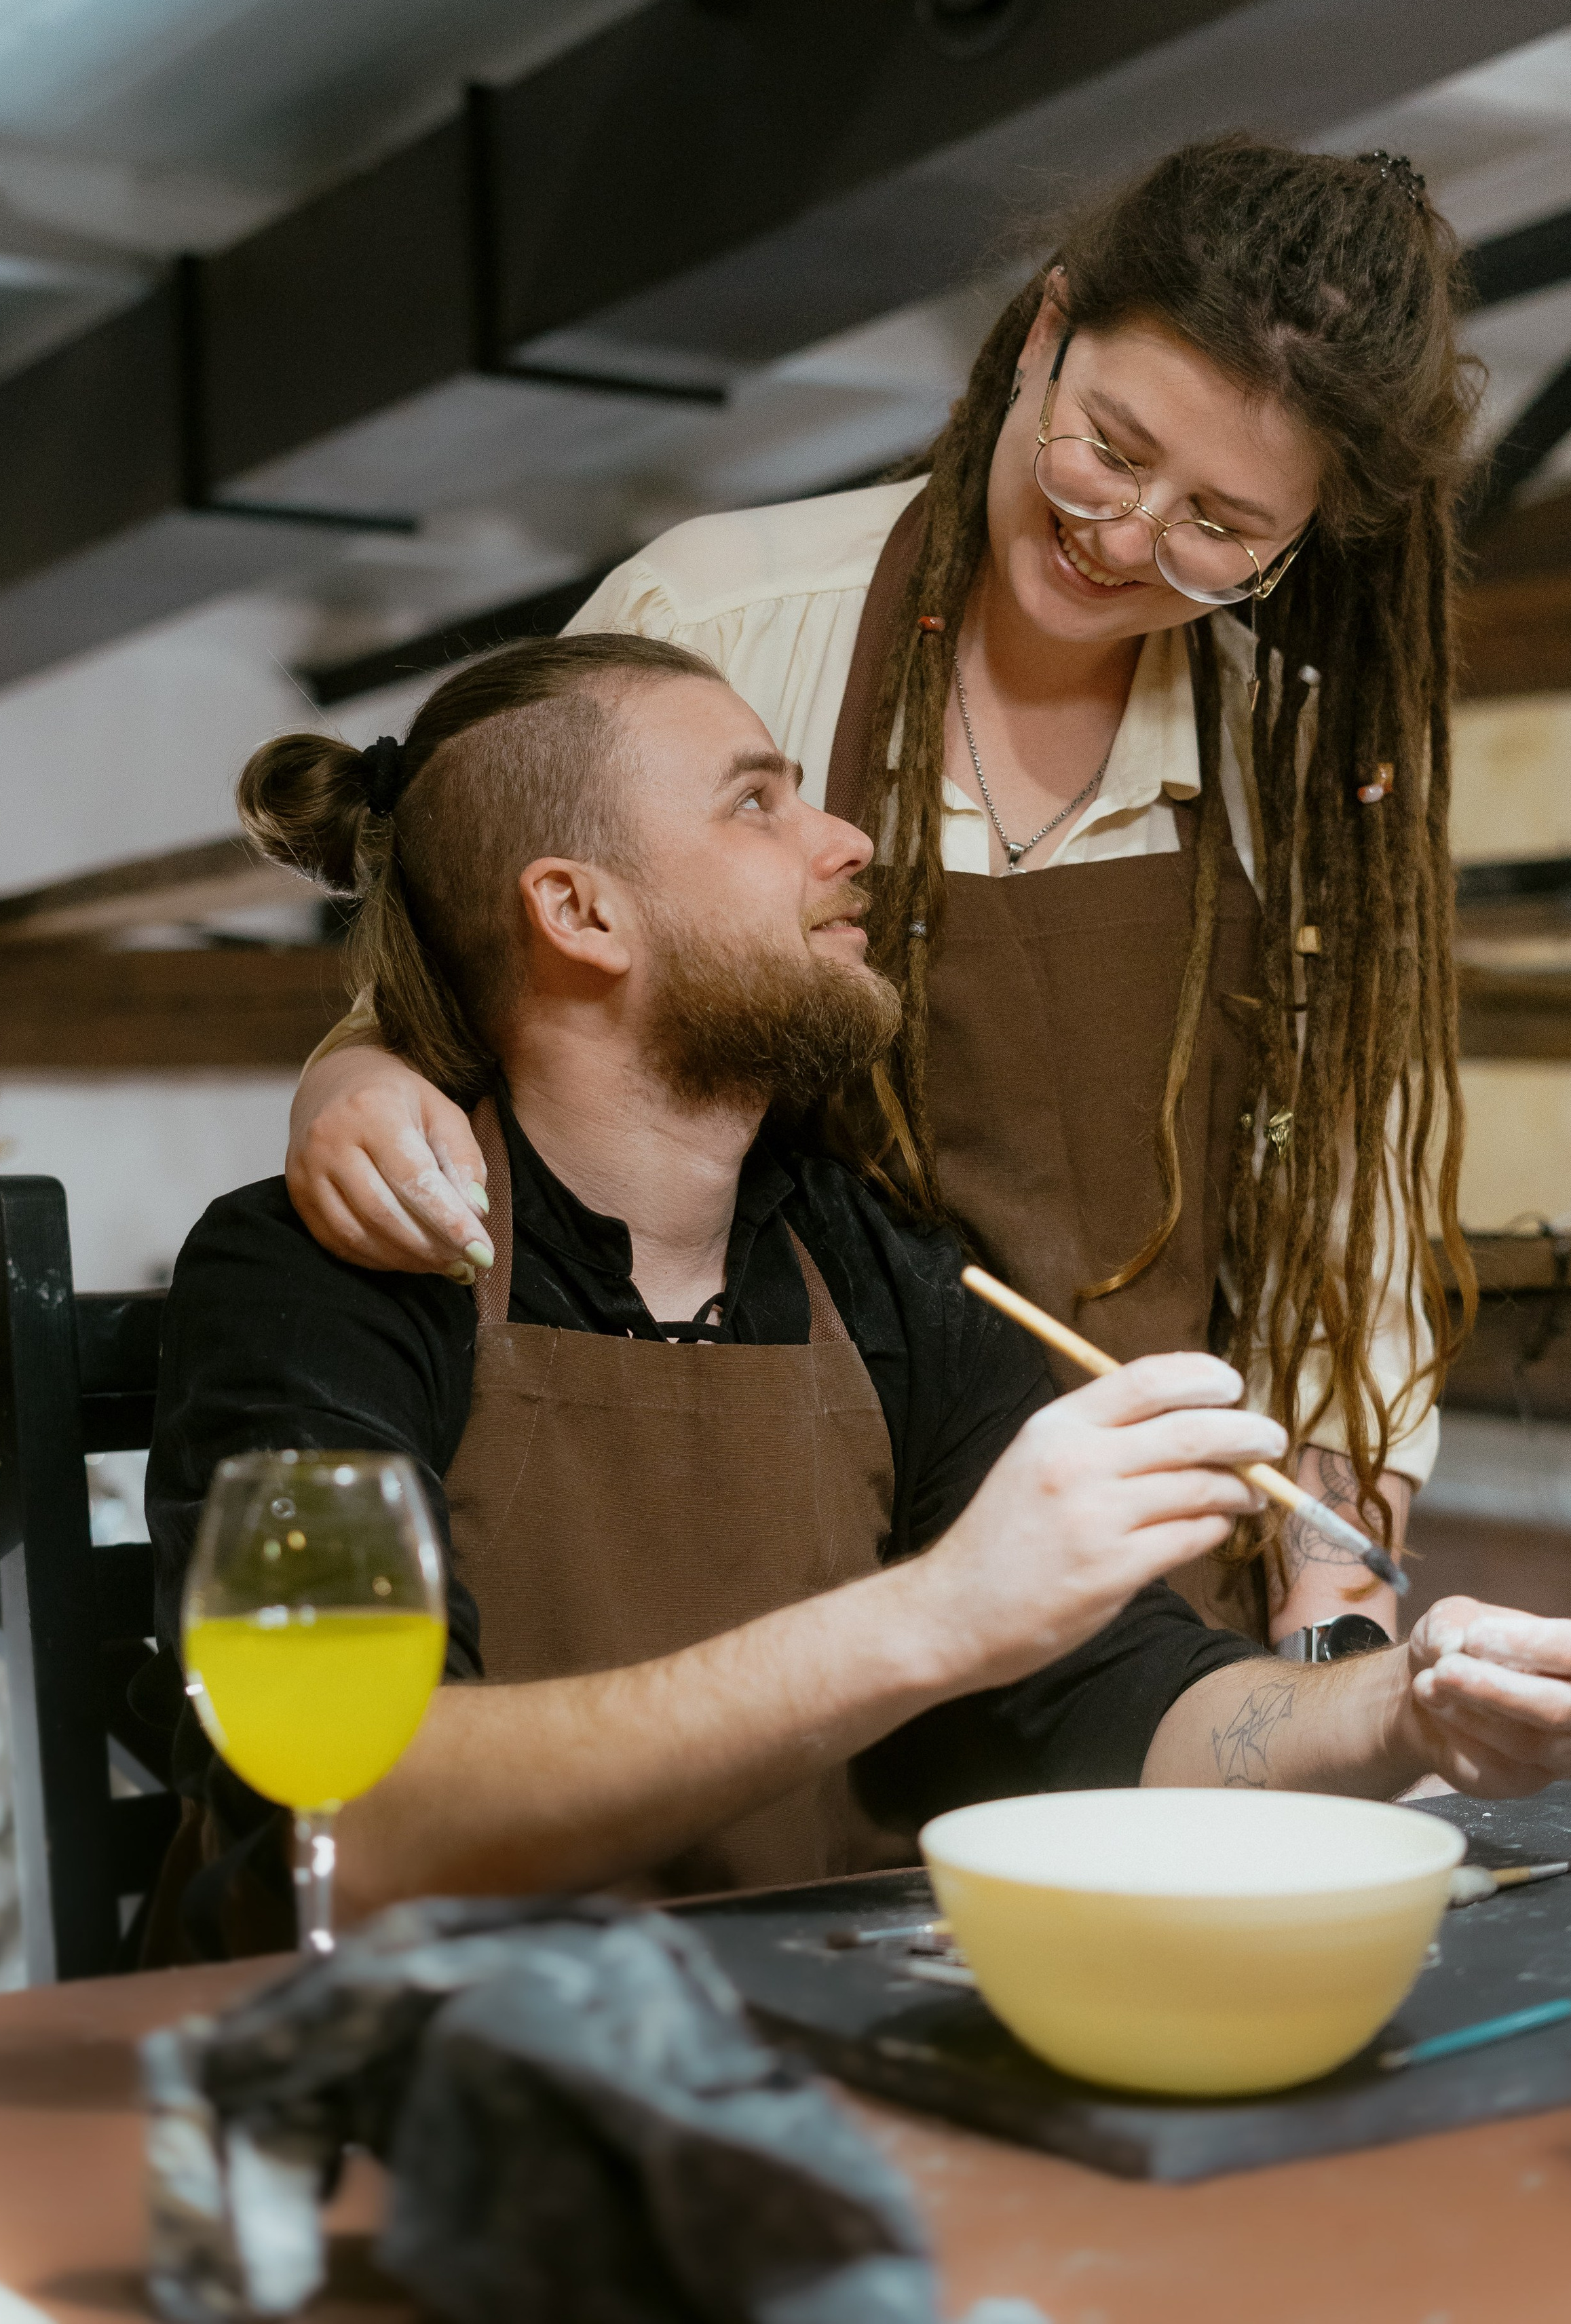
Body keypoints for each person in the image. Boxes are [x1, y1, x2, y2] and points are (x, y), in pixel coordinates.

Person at [145, 636, 1571, 1957]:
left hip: (791, 2057)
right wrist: (937, 1617)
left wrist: (1403, 1706)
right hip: (384, 2096)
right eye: (755, 803)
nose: (844, 840)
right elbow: (357, 1818)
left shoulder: (876, 1272)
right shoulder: (315, 1281)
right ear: (580, 911)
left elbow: (1135, 1711)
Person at [279, 136, 1479, 1658]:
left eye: (1219, 528)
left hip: (1149, 1597)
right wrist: (358, 1074)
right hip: (760, 1555)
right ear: (1045, 333)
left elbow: (1346, 1220)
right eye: (1108, 447)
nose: (1123, 540)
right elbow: (472, 955)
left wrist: (1337, 1578)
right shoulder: (711, 621)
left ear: (1303, 540)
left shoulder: (1291, 754)